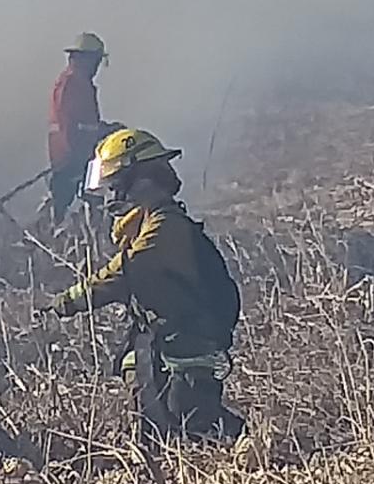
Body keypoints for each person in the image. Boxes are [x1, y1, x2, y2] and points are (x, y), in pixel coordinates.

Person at [45, 128, 245, 445]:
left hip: (188, 341)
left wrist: (70, 300)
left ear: (142, 180)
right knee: (150, 414)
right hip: (160, 340)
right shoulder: (148, 222)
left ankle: (253, 449)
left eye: (115, 184)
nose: (110, 194)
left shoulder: (165, 226)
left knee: (193, 417)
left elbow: (124, 271)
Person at [48, 32, 108, 223]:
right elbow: (69, 124)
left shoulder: (80, 82)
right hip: (72, 156)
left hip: (78, 154)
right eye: (96, 61)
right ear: (86, 59)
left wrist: (103, 129)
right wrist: (75, 155)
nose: (98, 66)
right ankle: (48, 236)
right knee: (64, 204)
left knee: (77, 200)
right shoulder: (72, 83)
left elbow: (86, 123)